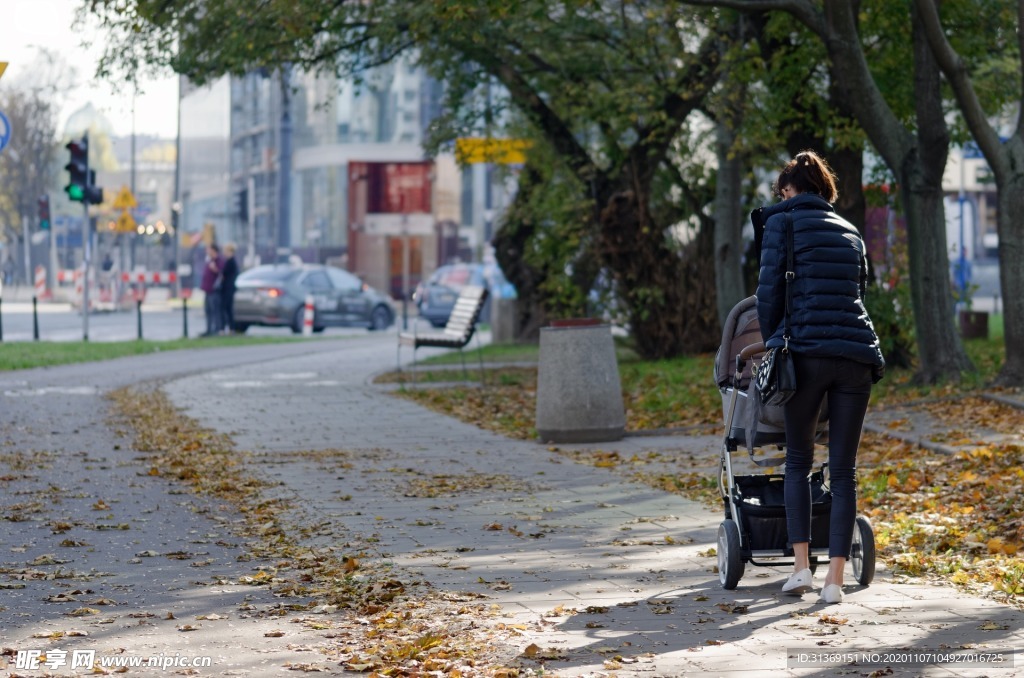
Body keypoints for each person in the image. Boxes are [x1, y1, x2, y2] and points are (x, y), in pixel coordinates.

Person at [755, 151, 885, 605]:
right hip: (856, 355)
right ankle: (835, 581)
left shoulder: (780, 223)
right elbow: (860, 292)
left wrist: (776, 343)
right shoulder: (850, 231)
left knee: (797, 460)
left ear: (789, 191)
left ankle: (801, 571)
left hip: (805, 354)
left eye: (782, 192)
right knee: (844, 469)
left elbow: (768, 294)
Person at [200, 243, 225, 337]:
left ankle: (217, 329)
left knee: (215, 310)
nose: (207, 251)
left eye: (208, 249)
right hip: (207, 289)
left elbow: (221, 274)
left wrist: (215, 269)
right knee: (208, 310)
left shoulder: (219, 260)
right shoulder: (209, 260)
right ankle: (209, 329)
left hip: (214, 290)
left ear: (214, 250)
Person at [219, 243, 239, 333]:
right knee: (227, 309)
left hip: (228, 288)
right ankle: (230, 328)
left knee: (226, 309)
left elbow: (225, 274)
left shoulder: (231, 262)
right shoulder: (230, 261)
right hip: (228, 288)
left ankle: (228, 328)